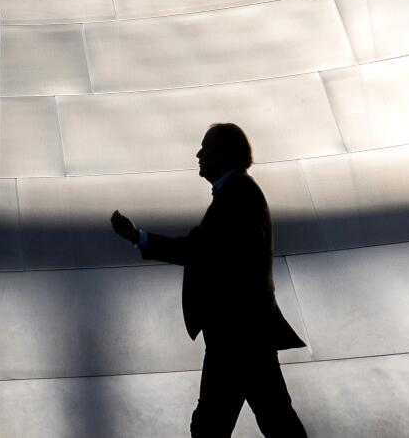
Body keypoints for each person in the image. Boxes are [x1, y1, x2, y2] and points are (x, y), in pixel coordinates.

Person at [110, 122, 308, 437]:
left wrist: (140, 237)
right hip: (245, 334)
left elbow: (202, 249)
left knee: (217, 425)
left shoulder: (238, 196)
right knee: (271, 417)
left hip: (236, 335)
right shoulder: (239, 193)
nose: (199, 154)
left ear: (227, 153)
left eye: (207, 147)